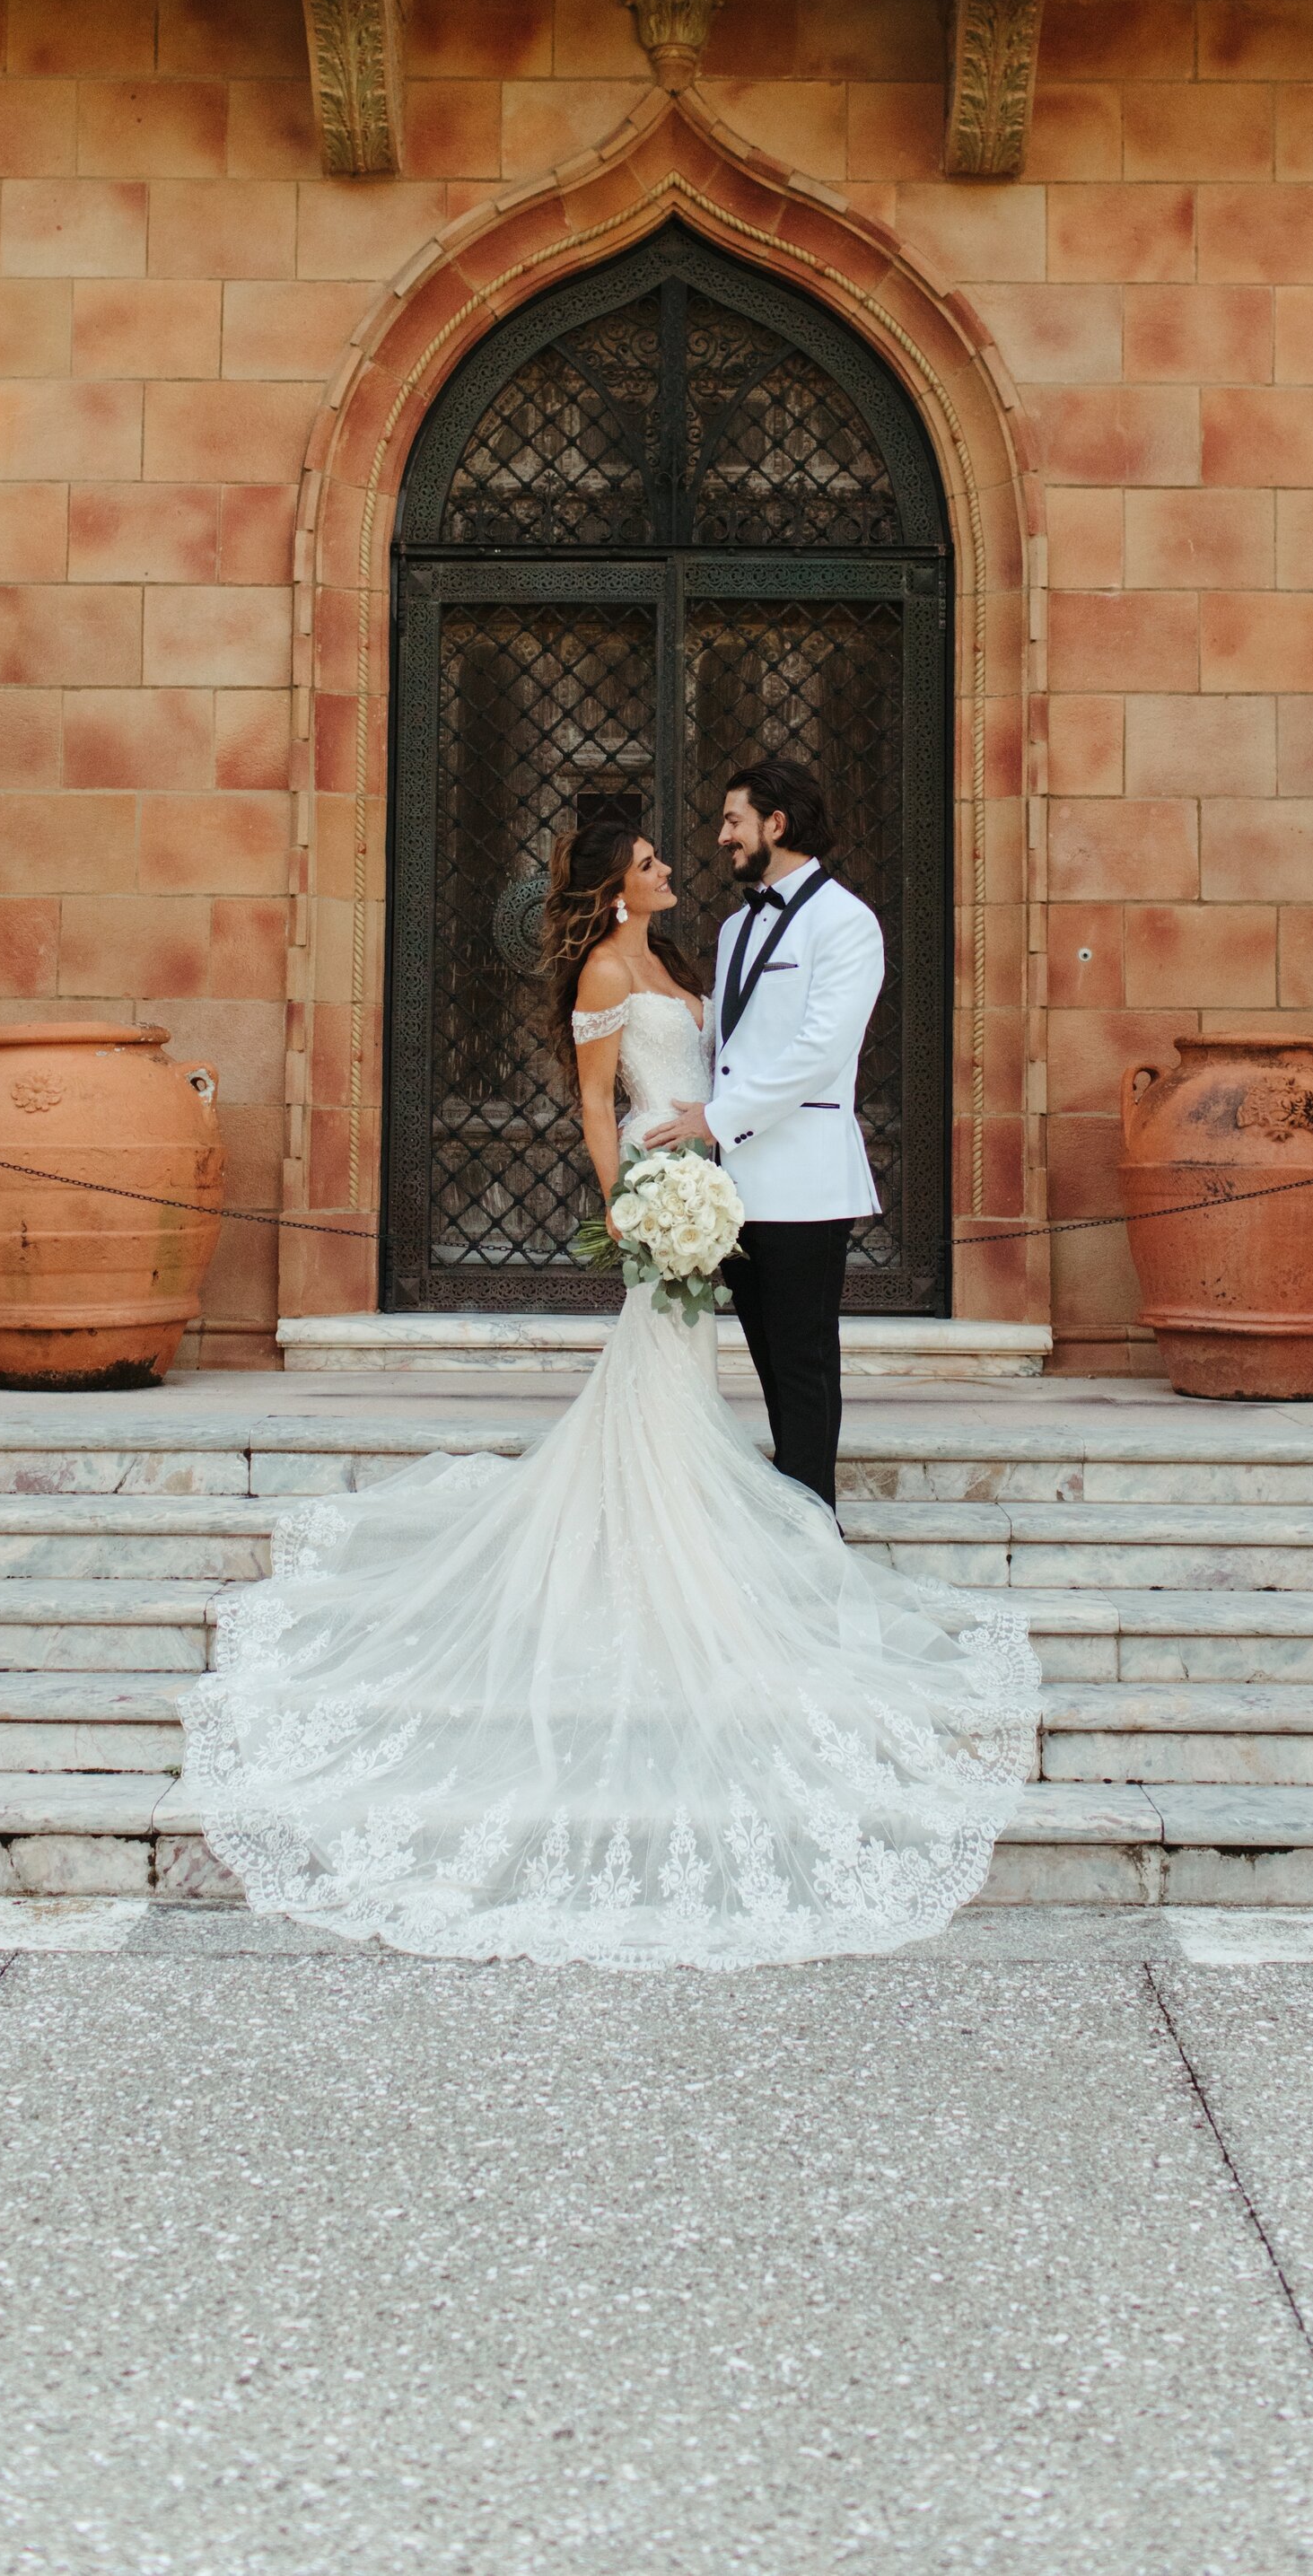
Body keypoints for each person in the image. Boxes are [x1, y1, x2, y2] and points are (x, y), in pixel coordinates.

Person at [178, 801, 1037, 1972]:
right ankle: (655, 1548)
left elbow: (728, 1062)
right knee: (661, 1360)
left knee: (687, 1372)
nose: (672, 863)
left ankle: (693, 1527)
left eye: (677, 849)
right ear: (616, 883)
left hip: (711, 1177)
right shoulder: (597, 965)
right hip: (660, 1186)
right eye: (650, 859)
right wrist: (629, 1203)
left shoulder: (685, 955)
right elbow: (597, 1100)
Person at [643, 759, 880, 1521]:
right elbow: (737, 1042)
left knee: (805, 1364)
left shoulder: (847, 921)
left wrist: (718, 1116)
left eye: (733, 820)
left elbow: (820, 1049)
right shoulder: (739, 924)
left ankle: (817, 1524)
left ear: (776, 825)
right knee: (770, 1366)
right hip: (735, 1191)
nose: (721, 836)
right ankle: (794, 1512)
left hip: (807, 1184)